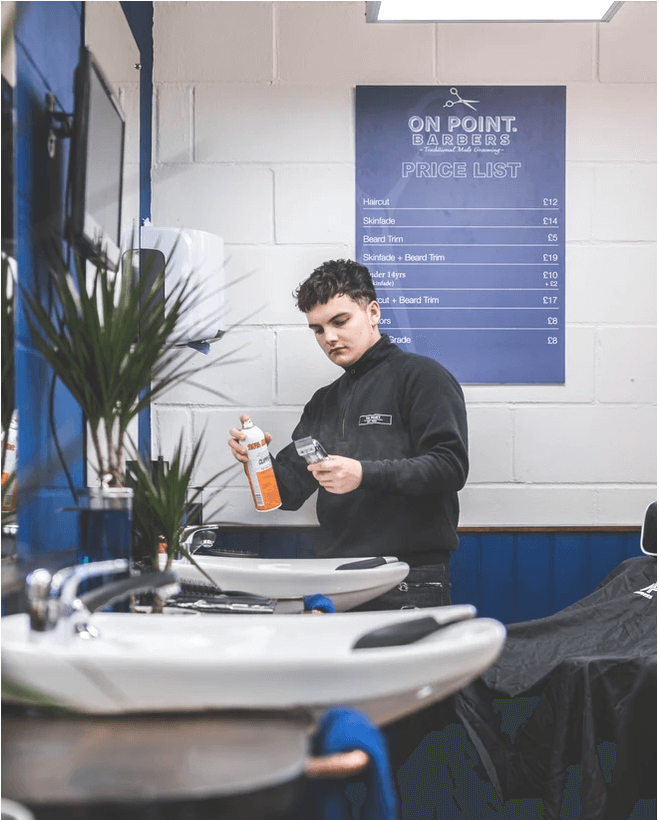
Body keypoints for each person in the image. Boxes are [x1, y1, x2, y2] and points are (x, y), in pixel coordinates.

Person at [228, 259, 468, 610]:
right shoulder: (324, 401)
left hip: (407, 577)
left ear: (372, 312)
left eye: (340, 321)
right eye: (318, 329)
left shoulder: (422, 377)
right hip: (335, 578)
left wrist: (363, 473)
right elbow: (289, 493)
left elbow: (450, 467)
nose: (330, 338)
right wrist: (256, 462)